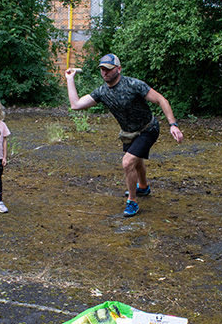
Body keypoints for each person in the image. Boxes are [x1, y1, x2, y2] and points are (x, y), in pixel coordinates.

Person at [65, 54, 183, 217]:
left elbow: (161, 100)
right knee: (137, 161)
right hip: (129, 133)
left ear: (118, 69)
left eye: (108, 69)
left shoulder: (133, 85)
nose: (105, 73)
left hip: (148, 129)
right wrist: (70, 79)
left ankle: (132, 202)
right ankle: (143, 187)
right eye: (102, 69)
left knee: (128, 162)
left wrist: (173, 125)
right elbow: (76, 105)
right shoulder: (102, 92)